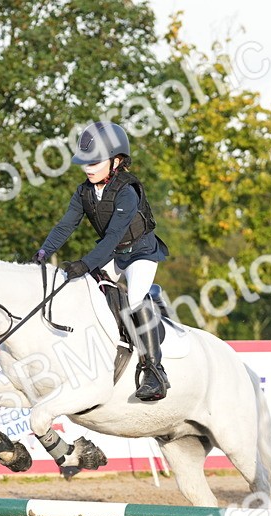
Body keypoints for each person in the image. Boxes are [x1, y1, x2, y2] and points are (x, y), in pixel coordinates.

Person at [34, 121, 171, 401]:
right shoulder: (84, 191)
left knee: (134, 299)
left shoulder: (127, 191)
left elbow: (111, 238)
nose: (88, 167)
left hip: (141, 253)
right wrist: (43, 252)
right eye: (85, 161)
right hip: (115, 253)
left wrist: (85, 264)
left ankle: (154, 372)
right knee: (83, 290)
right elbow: (65, 226)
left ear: (116, 161)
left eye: (95, 162)